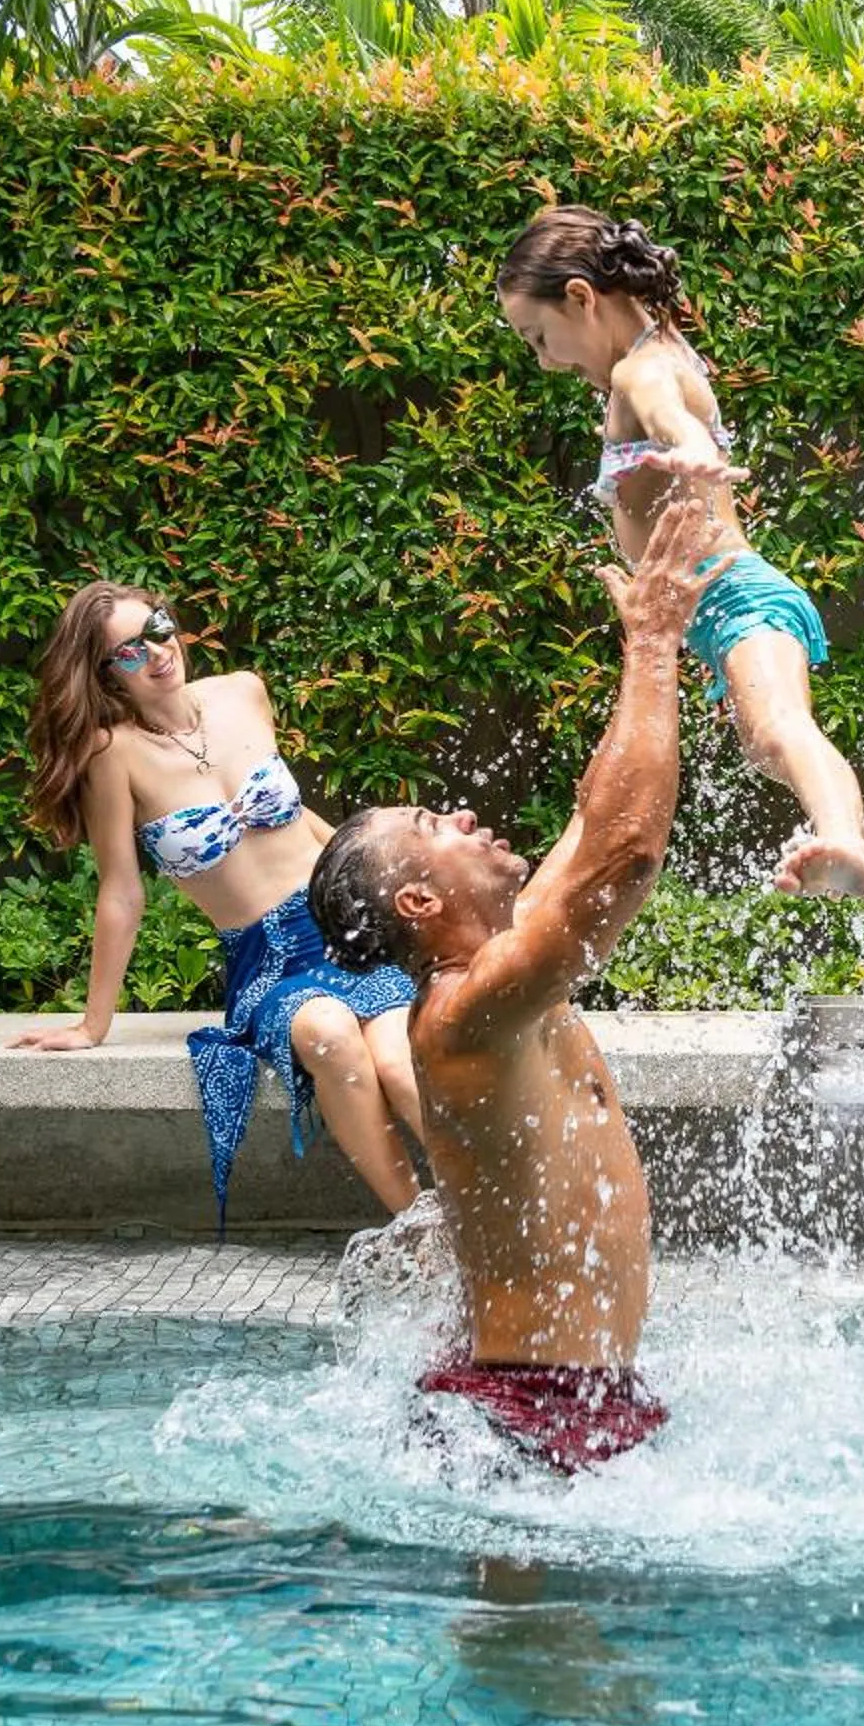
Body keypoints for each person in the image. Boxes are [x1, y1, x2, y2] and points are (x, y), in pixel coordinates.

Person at [305, 499, 724, 1476]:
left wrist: (667, 643)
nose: (461, 813)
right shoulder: (463, 1012)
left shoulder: (500, 966)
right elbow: (626, 853)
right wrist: (653, 645)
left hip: (562, 1393)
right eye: (433, 822)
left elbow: (597, 816)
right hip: (524, 1408)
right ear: (418, 897)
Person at [496, 204, 864, 900]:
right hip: (721, 610)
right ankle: (847, 826)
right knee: (764, 741)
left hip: (739, 594)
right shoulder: (660, 349)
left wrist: (686, 445)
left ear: (582, 298)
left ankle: (838, 833)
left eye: (539, 337)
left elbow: (670, 413)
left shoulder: (638, 373)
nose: (545, 360)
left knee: (778, 730)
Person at [13, 584, 425, 1222]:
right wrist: (93, 1026)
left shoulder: (242, 693)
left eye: (157, 627)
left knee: (400, 1066)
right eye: (127, 652)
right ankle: (425, 1227)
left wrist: (385, 889)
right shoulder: (112, 755)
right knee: (332, 1036)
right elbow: (122, 890)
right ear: (103, 676)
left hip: (345, 928)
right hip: (269, 965)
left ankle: (501, 1216)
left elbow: (300, 824)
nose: (157, 652)